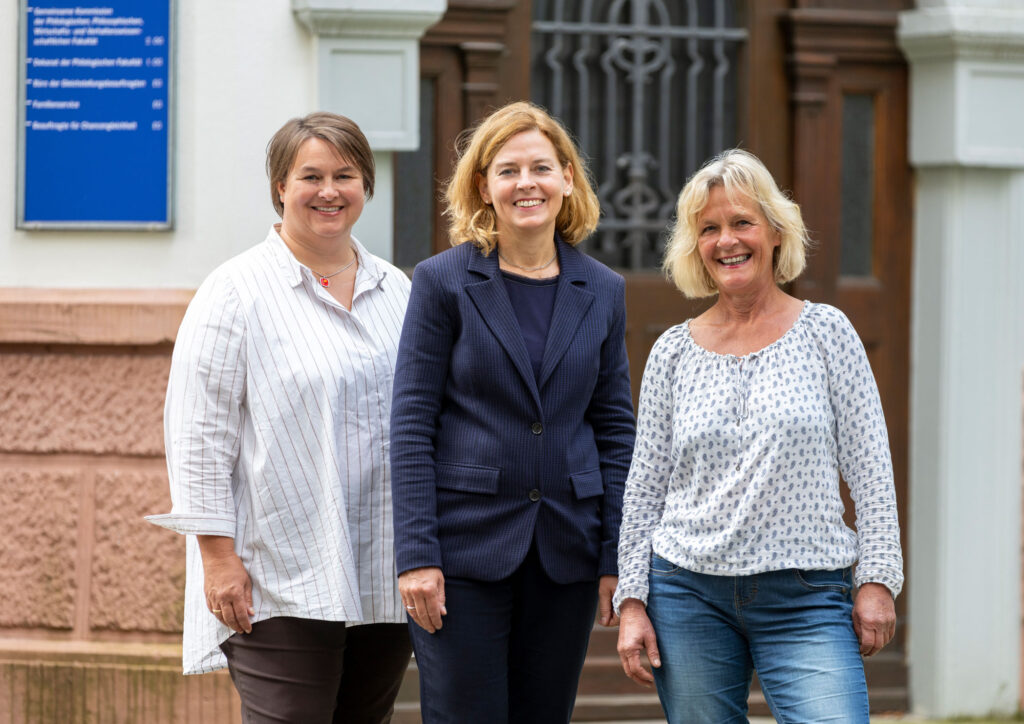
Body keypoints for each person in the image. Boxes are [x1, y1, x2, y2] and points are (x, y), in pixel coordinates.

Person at [614, 148, 903, 723]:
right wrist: (632, 599)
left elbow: (871, 467)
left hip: (807, 593)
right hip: (687, 591)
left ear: (774, 231)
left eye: (742, 222)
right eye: (710, 228)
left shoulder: (827, 333)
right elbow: (644, 485)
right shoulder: (672, 350)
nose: (727, 241)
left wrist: (878, 579)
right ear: (695, 246)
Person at [147, 112, 413, 724]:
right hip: (277, 573)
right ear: (280, 187)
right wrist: (217, 558)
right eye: (310, 176)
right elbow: (198, 437)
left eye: (345, 175)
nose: (328, 191)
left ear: (366, 185)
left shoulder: (397, 290)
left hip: (381, 565)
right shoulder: (235, 291)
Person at [389, 101, 636, 724]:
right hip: (463, 551)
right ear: (484, 186)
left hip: (566, 552)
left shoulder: (603, 289)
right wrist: (416, 555)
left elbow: (614, 430)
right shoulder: (442, 282)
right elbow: (412, 423)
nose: (526, 183)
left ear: (567, 180)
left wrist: (616, 558)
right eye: (508, 170)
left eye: (541, 168)